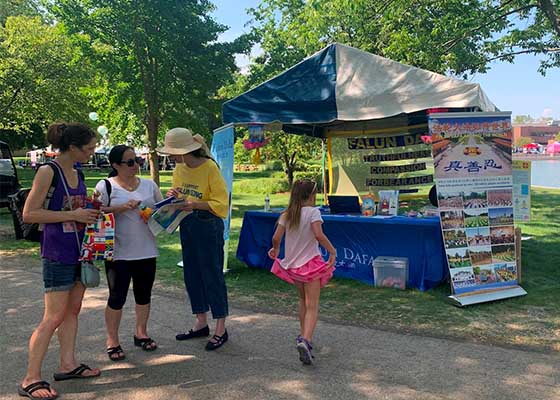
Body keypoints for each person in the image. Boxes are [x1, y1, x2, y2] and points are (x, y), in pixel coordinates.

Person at [20, 122, 101, 400]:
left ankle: (68, 363)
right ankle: (30, 377)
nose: (93, 152)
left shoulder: (77, 171)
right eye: (89, 148)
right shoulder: (47, 171)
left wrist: (91, 209)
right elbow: (30, 214)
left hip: (80, 251)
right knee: (53, 316)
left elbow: (74, 209)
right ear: (72, 147)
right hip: (57, 253)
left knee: (73, 310)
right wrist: (74, 216)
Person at [157, 127, 230, 351]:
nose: (169, 156)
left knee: (212, 273)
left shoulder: (209, 167)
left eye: (172, 152)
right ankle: (200, 321)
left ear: (183, 150)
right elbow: (180, 192)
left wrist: (193, 203)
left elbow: (221, 203)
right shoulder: (179, 167)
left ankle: (221, 327)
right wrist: (175, 196)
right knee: (192, 272)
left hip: (207, 223)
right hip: (187, 222)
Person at [94, 145, 163, 361]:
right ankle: (112, 340)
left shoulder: (150, 185)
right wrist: (121, 208)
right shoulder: (105, 186)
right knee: (117, 297)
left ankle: (140, 333)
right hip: (118, 252)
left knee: (144, 294)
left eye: (138, 160)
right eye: (130, 162)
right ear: (115, 165)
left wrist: (157, 209)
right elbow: (94, 211)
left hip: (146, 249)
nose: (136, 165)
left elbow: (161, 211)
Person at [267, 179, 337, 365]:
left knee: (302, 301)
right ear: (312, 195)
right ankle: (305, 340)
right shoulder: (313, 212)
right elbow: (318, 234)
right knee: (312, 304)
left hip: (293, 267)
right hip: (311, 265)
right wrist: (332, 250)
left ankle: (304, 335)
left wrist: (275, 249)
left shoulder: (287, 214)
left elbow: (276, 237)